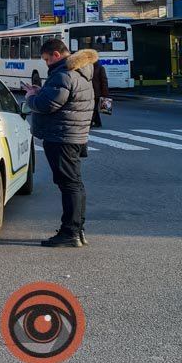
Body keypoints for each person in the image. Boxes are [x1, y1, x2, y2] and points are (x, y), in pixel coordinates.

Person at [24, 39, 96, 247]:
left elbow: (47, 105)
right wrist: (41, 92)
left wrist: (31, 97)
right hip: (73, 134)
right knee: (74, 183)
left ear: (56, 54)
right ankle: (77, 229)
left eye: (47, 59)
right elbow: (61, 99)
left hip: (62, 136)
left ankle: (70, 232)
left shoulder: (64, 73)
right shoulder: (81, 71)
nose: (46, 63)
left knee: (69, 184)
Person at [91, 58, 111, 128]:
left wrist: (105, 94)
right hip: (94, 91)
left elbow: (104, 81)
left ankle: (92, 122)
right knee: (94, 108)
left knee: (93, 108)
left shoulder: (99, 68)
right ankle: (97, 122)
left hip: (97, 92)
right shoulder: (92, 68)